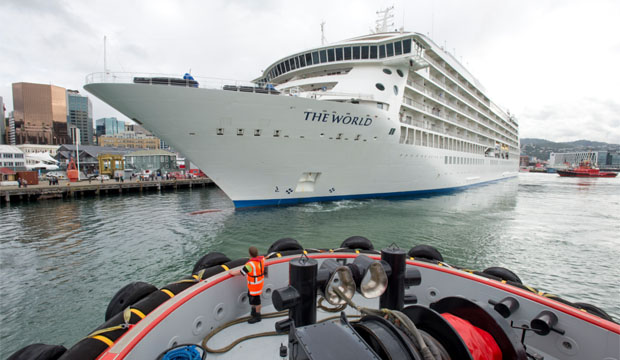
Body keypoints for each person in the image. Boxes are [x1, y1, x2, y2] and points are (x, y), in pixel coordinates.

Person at [229, 246, 265, 323]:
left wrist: (232, 273)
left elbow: (241, 272)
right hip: (259, 283)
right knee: (252, 298)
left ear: (249, 254)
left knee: (256, 301)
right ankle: (253, 311)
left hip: (254, 285)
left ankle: (257, 316)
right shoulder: (262, 260)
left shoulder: (250, 265)